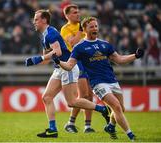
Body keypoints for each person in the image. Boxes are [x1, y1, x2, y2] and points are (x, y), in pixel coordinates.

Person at [52, 16, 144, 141]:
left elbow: (119, 60)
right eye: (91, 27)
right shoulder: (79, 47)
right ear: (84, 29)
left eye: (96, 26)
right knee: (116, 107)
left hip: (112, 80)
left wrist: (136, 55)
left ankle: (111, 126)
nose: (95, 28)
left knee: (120, 109)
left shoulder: (105, 44)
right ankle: (131, 136)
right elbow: (69, 66)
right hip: (98, 83)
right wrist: (59, 62)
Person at [25, 10, 109, 138]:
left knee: (72, 102)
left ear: (44, 20)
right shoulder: (45, 35)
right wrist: (36, 61)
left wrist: (39, 59)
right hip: (59, 68)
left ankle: (102, 109)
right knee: (46, 97)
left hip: (67, 68)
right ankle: (52, 129)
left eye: (36, 19)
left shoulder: (50, 33)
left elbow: (57, 52)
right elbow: (47, 56)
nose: (34, 22)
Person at [61, 4, 110, 133]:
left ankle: (87, 126)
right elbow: (73, 43)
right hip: (77, 62)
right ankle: (70, 122)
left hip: (89, 61)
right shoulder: (66, 29)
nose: (77, 14)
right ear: (67, 15)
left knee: (90, 94)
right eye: (74, 13)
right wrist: (81, 30)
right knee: (83, 94)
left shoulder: (83, 26)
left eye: (78, 12)